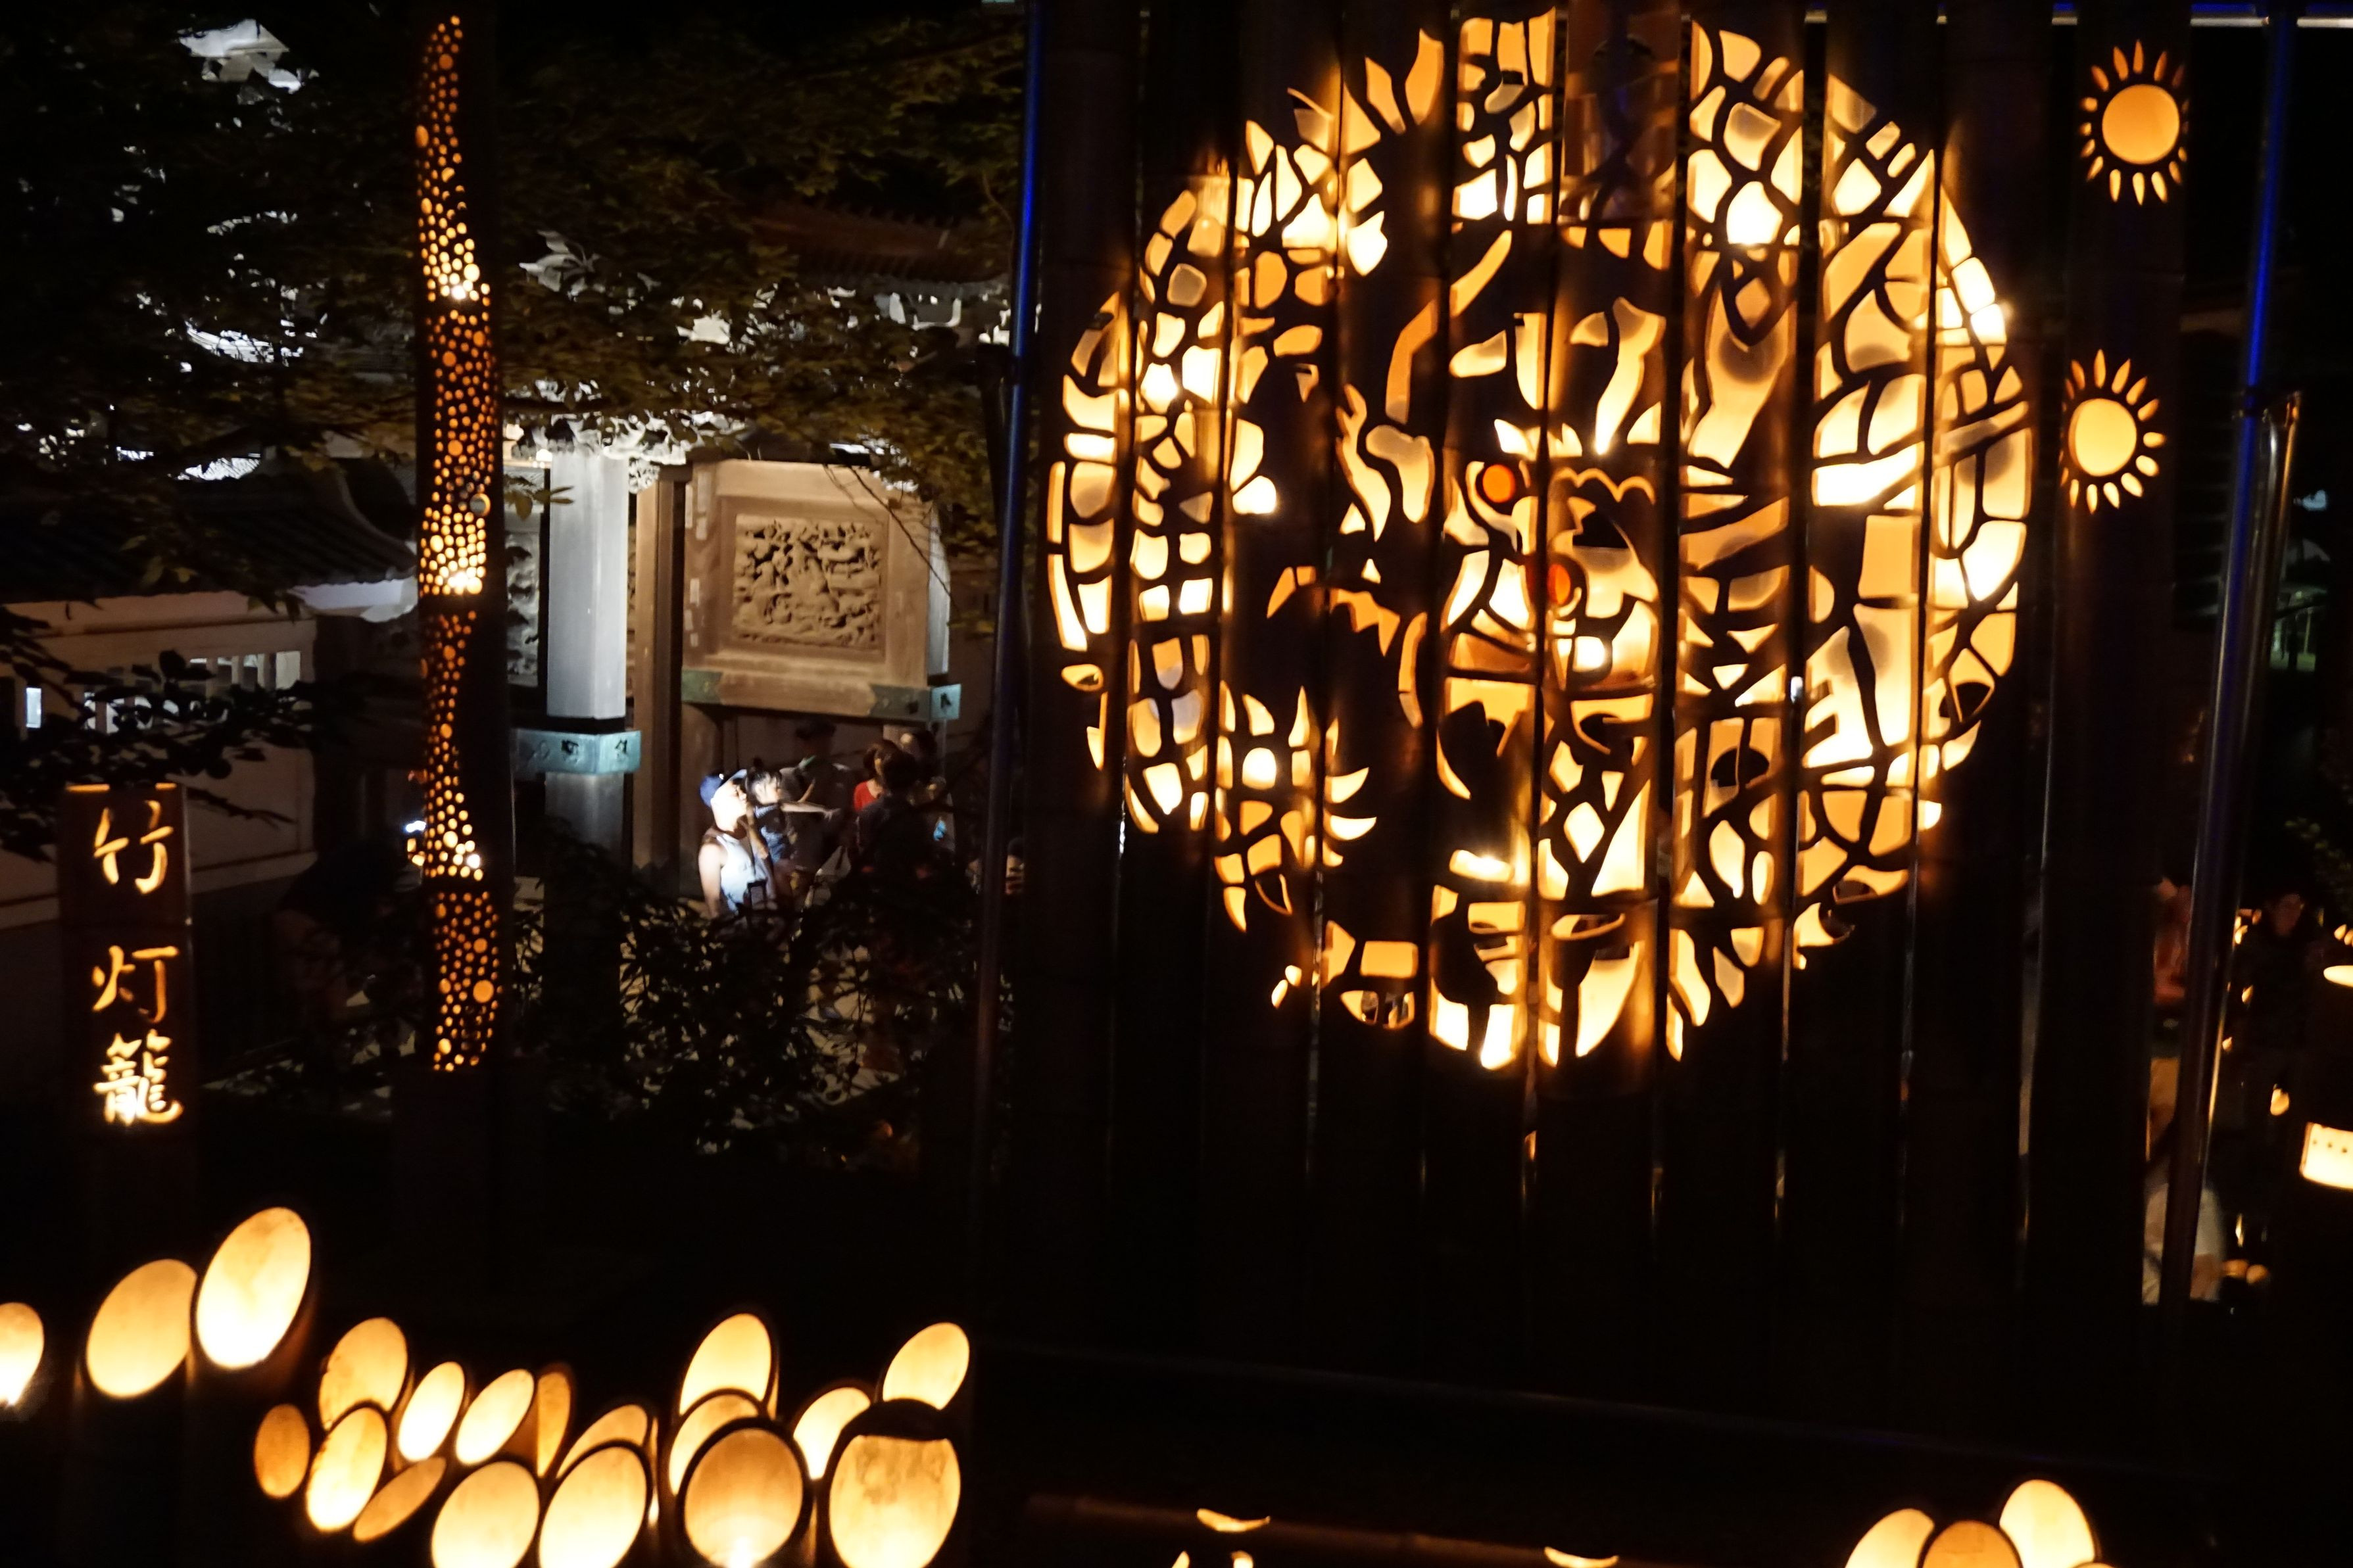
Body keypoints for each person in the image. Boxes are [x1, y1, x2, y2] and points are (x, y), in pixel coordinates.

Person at [696, 771, 777, 919]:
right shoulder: (713, 849)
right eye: (735, 792)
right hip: (744, 926)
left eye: (741, 789)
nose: (744, 795)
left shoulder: (749, 828)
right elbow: (714, 906)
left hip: (773, 917)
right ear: (717, 802)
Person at [852, 739, 903, 814]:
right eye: (882, 757)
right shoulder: (861, 789)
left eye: (890, 757)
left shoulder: (904, 787)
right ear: (872, 762)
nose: (886, 761)